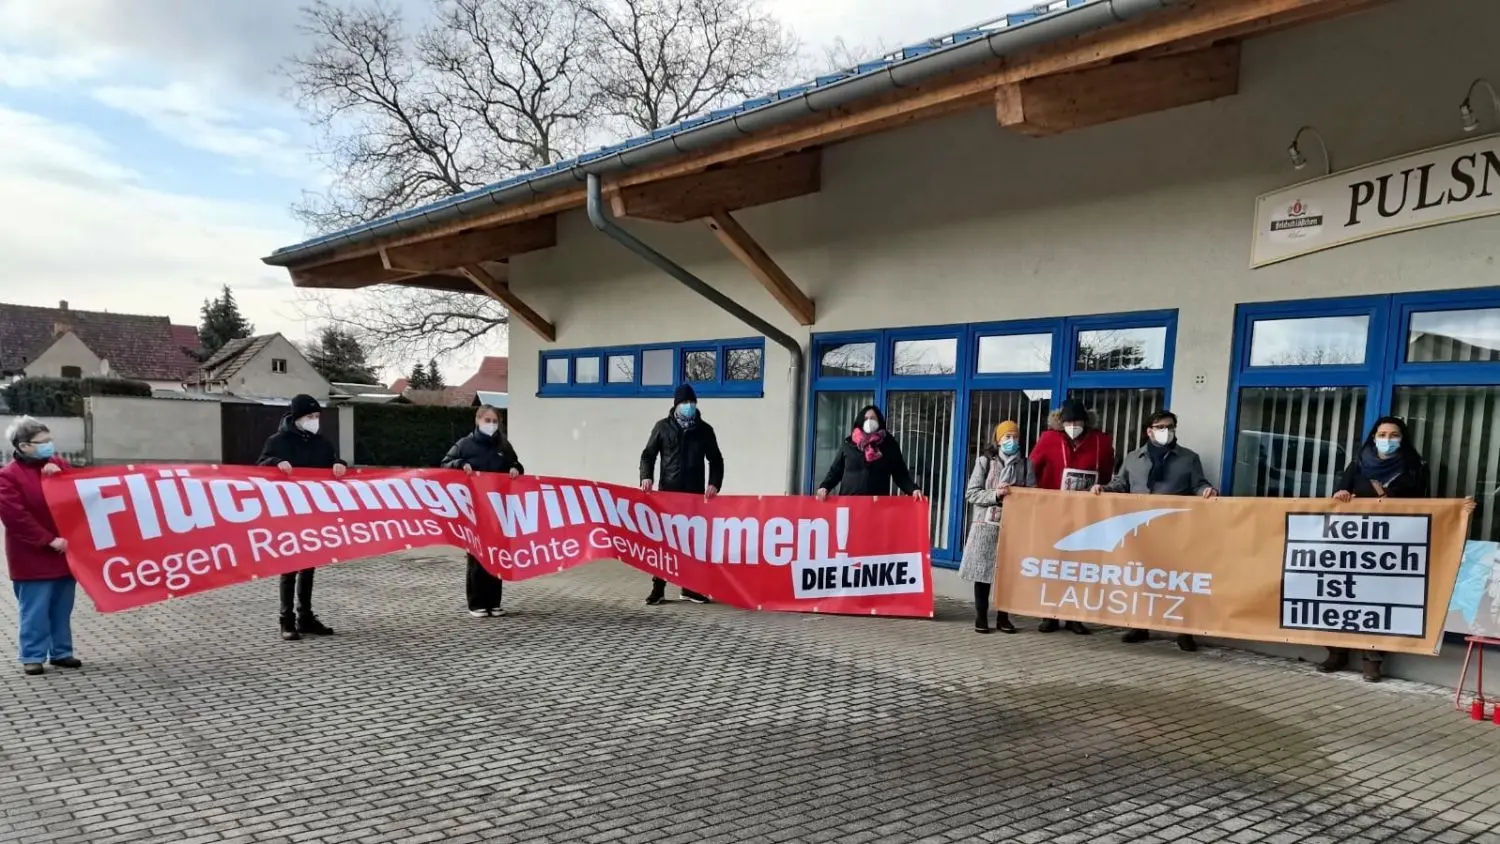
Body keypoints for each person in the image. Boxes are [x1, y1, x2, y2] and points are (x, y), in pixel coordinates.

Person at [1322, 416, 1476, 682]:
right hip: (1354, 546)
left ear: (1402, 438)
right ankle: (1337, 651)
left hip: (1392, 547)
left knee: (1379, 601)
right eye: (1382, 434)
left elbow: (1420, 504)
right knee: (1346, 598)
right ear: (1373, 437)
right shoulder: (1357, 464)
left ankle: (1372, 658)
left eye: (1394, 435)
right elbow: (1339, 494)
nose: (1387, 440)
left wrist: (1386, 498)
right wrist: (1341, 497)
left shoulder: (1414, 467)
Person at [1091, 410, 1217, 651]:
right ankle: (1140, 625)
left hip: (1175, 531)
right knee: (1143, 579)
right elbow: (1121, 485)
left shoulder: (1189, 459)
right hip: (1141, 532)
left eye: (1170, 427)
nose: (1166, 431)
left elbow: (1199, 485)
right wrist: (1103, 489)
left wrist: (1206, 492)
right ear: (1149, 431)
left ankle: (1184, 631)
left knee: (1179, 581)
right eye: (1160, 427)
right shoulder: (1133, 458)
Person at [257, 394, 347, 641]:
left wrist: (339, 464)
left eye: (317, 416)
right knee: (289, 566)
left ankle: (305, 616)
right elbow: (260, 466)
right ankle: (286, 620)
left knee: (309, 564)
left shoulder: (322, 443)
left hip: (313, 512)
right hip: (288, 511)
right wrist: (276, 463)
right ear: (297, 418)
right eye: (310, 416)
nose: (314, 421)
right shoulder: (278, 441)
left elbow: (332, 462)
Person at [0, 417, 80, 676]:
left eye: (50, 440)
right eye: (43, 442)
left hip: (64, 552)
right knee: (34, 609)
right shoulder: (8, 476)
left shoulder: (58, 465)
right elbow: (15, 516)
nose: (50, 446)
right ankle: (32, 655)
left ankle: (62, 652)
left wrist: (62, 479)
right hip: (32, 556)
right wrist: (47, 539)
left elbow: (78, 496)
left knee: (61, 606)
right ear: (24, 446)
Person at [1030, 398, 1115, 635]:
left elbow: (1108, 474)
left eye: (1077, 421)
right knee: (1053, 564)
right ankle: (1049, 614)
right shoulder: (1049, 439)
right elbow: (1031, 469)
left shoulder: (1101, 441)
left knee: (1079, 565)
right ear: (1061, 421)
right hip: (1053, 513)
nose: (1073, 425)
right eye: (1068, 421)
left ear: (1086, 420)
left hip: (1086, 515)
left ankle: (1074, 616)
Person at [640, 384, 723, 605]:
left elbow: (716, 460)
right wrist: (646, 477)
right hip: (668, 494)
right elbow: (648, 455)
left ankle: (690, 588)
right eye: (685, 403)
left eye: (692, 403)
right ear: (676, 405)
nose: (689, 406)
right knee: (665, 543)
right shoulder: (662, 427)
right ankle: (658, 588)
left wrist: (714, 483)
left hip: (694, 496)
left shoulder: (704, 430)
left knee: (691, 543)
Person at [442, 405, 524, 618]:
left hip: (498, 508)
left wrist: (516, 468)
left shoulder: (504, 446)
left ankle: (494, 601)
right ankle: (477, 603)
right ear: (477, 421)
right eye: (487, 420)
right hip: (474, 507)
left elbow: (515, 464)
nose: (491, 424)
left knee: (498, 554)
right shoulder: (464, 444)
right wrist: (459, 464)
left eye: (494, 420)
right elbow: (445, 465)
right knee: (478, 556)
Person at [958, 421, 1035, 634]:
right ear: (998, 440)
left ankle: (1004, 617)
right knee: (982, 574)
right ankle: (981, 616)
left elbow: (1033, 496)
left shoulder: (1026, 464)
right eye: (1006, 437)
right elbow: (972, 493)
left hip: (1013, 527)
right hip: (986, 526)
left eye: (1014, 437)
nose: (1011, 441)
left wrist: (1018, 494)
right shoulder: (985, 462)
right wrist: (995, 494)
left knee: (1007, 574)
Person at [816, 405, 925, 501]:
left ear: (879, 421)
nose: (869, 421)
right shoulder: (849, 444)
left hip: (876, 506)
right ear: (860, 422)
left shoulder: (889, 445)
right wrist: (825, 486)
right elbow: (836, 471)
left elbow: (900, 474)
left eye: (872, 418)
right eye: (866, 418)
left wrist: (913, 490)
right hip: (849, 504)